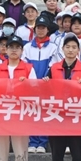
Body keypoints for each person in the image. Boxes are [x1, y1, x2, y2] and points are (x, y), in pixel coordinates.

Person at [23, 16, 62, 154]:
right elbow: (25, 65)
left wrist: (47, 77)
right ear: (35, 29)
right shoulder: (27, 47)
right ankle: (33, 142)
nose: (40, 30)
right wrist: (32, 80)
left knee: (45, 113)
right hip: (31, 85)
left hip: (47, 85)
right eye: (38, 28)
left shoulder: (54, 47)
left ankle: (42, 143)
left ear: (47, 30)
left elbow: (55, 65)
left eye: (43, 28)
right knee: (32, 113)